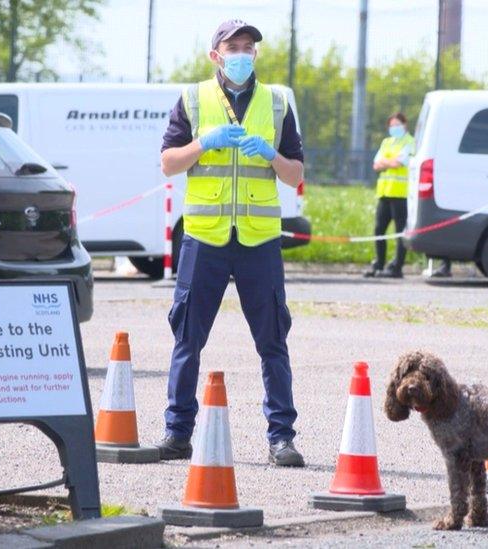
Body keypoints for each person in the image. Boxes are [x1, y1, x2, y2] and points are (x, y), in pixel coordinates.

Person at [158, 20, 306, 466]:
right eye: (233, 46)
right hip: (204, 239)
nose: (242, 53)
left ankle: (282, 438)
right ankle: (177, 433)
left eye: (249, 47)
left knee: (273, 342)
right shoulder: (193, 98)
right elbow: (168, 163)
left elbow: (295, 174)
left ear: (256, 55)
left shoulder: (277, 103)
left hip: (259, 241)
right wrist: (204, 142)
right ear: (215, 55)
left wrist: (272, 154)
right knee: (187, 339)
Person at [365, 113, 414, 278]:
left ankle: (397, 267)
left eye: (398, 125)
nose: (394, 128)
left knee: (400, 232)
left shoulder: (409, 142)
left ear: (405, 125)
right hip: (385, 193)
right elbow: (375, 165)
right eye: (392, 125)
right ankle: (379, 264)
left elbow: (398, 163)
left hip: (400, 194)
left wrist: (386, 162)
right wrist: (389, 163)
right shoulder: (386, 142)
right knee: (379, 229)